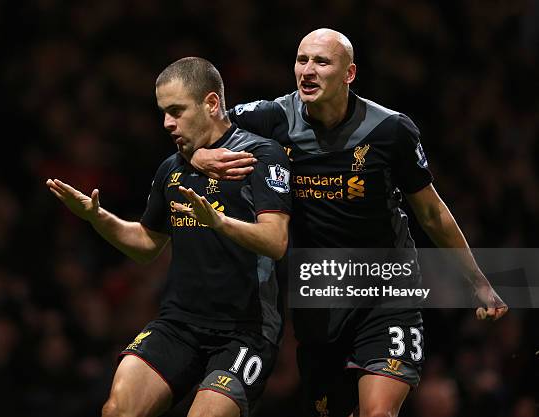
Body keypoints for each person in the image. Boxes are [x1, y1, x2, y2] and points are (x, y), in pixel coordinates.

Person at [191, 29, 508, 417]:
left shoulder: (390, 130)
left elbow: (431, 212)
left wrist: (478, 281)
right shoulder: (270, 118)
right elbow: (196, 129)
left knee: (378, 413)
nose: (307, 71)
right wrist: (197, 155)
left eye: (321, 62)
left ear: (349, 74)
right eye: (301, 60)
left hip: (387, 293)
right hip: (319, 302)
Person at [46, 57, 292, 417]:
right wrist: (97, 217)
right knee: (117, 410)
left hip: (246, 329)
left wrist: (220, 222)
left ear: (211, 104)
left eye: (176, 111)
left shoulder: (260, 155)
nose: (167, 123)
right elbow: (147, 244)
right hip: (179, 324)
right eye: (163, 112)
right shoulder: (172, 168)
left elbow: (276, 241)